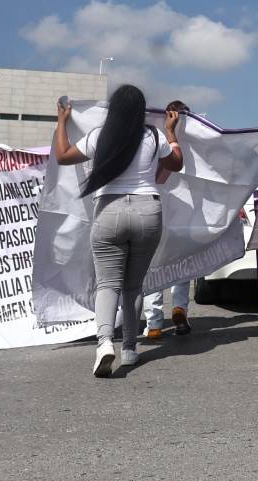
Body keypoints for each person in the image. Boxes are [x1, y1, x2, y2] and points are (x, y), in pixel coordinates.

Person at [54, 85, 183, 377]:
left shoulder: (100, 135)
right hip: (147, 211)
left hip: (108, 211)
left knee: (108, 284)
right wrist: (172, 132)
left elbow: (62, 155)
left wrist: (62, 121)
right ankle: (129, 349)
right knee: (133, 285)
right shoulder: (154, 136)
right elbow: (176, 163)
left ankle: (103, 343)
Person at [144, 99, 194, 339]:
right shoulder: (196, 144)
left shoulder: (154, 139)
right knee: (182, 264)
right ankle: (179, 308)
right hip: (185, 213)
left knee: (153, 267)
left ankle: (154, 323)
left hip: (156, 209)